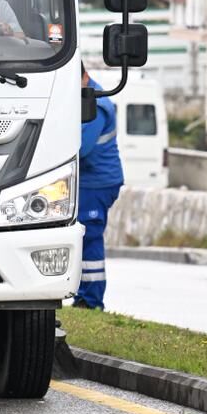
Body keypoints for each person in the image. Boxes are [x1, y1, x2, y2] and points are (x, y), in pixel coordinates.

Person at [75, 65, 125, 309]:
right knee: (84, 237)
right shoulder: (84, 98)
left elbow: (81, 148)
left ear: (84, 77)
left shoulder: (96, 104)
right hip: (90, 180)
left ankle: (90, 301)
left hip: (97, 183)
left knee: (90, 237)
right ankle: (84, 296)